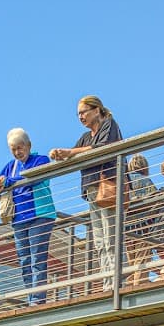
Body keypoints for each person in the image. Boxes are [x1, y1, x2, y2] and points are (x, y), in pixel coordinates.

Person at [49, 96, 123, 288]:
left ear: (96, 110)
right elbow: (73, 154)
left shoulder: (109, 125)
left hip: (108, 186)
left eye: (84, 112)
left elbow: (102, 148)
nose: (80, 116)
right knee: (99, 240)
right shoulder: (85, 137)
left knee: (111, 237)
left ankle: (117, 282)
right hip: (92, 190)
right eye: (78, 114)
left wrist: (70, 152)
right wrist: (60, 154)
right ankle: (109, 282)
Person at [0, 127, 57, 305]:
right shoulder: (10, 166)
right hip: (19, 219)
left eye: (20, 147)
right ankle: (31, 299)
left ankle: (37, 300)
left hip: (40, 215)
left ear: (29, 146)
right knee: (25, 261)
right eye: (13, 149)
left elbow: (33, 177)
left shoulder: (40, 159)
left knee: (37, 258)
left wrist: (8, 181)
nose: (17, 152)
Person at [123, 154, 158, 285]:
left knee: (131, 262)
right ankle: (139, 287)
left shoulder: (125, 181)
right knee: (141, 261)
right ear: (145, 167)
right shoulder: (146, 181)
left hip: (126, 227)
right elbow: (155, 203)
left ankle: (130, 286)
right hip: (143, 227)